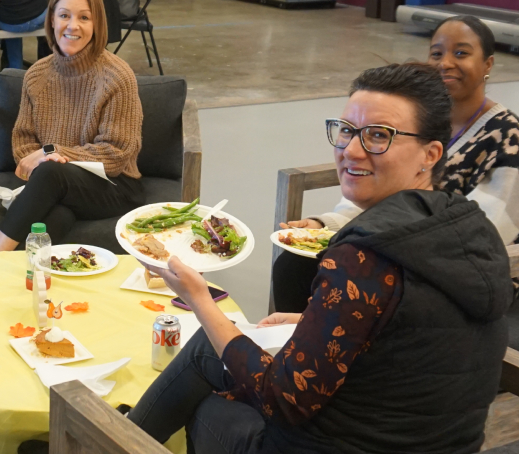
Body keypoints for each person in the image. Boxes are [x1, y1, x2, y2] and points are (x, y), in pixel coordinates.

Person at [124, 63, 512, 453]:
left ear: (430, 154)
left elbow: (283, 400)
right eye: (346, 130)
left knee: (210, 406)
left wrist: (198, 298)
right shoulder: (468, 228)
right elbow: (412, 337)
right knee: (215, 347)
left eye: (379, 135)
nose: (352, 150)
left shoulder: (365, 258)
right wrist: (319, 321)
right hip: (435, 440)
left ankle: (107, 438)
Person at [272, 16, 519, 313]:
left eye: (461, 53)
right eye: (437, 53)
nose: (446, 63)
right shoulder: (411, 115)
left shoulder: (507, 137)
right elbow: (377, 188)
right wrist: (326, 226)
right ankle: (297, 340)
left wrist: (377, 245)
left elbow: (489, 233)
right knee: (295, 264)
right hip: (389, 239)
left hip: (453, 263)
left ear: (488, 64)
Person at [0, 0, 144, 251]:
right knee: (54, 215)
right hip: (57, 186)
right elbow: (23, 142)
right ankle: (27, 284)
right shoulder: (37, 75)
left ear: (97, 25)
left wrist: (55, 153)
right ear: (51, 21)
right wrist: (47, 159)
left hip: (114, 186)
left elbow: (117, 154)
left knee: (50, 174)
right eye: (64, 15)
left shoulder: (117, 76)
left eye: (84, 17)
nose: (73, 26)